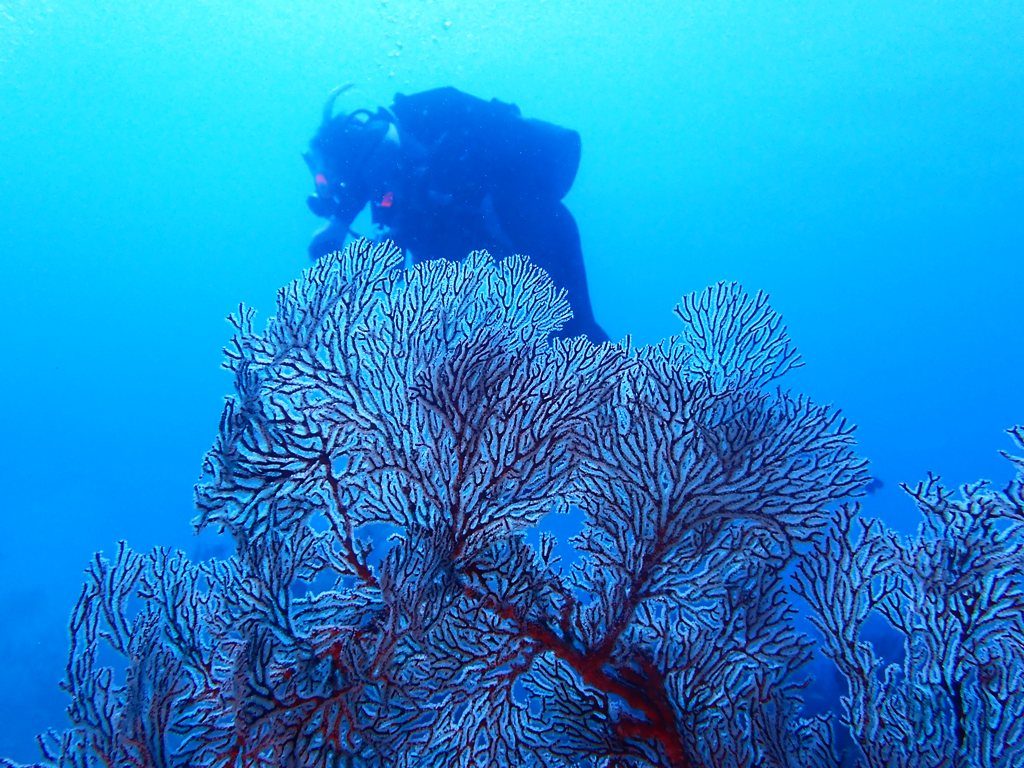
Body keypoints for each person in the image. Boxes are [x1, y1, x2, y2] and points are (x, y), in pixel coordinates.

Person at [303, 86, 608, 343]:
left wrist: (339, 222)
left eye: (322, 177)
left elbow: (378, 148)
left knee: (574, 331)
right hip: (503, 227)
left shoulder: (375, 139)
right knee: (568, 332)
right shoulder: (389, 190)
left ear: (336, 148)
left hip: (520, 213)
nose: (328, 186)